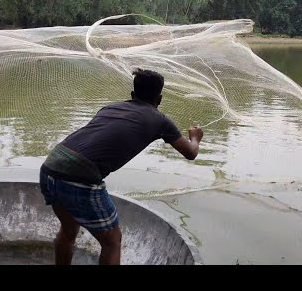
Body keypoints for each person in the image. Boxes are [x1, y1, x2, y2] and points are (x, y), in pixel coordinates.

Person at [39, 68, 204, 265]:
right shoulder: (160, 120)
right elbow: (191, 153)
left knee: (68, 231)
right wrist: (195, 137)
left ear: (132, 95)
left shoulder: (110, 108)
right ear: (159, 99)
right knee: (112, 241)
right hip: (80, 177)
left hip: (50, 166)